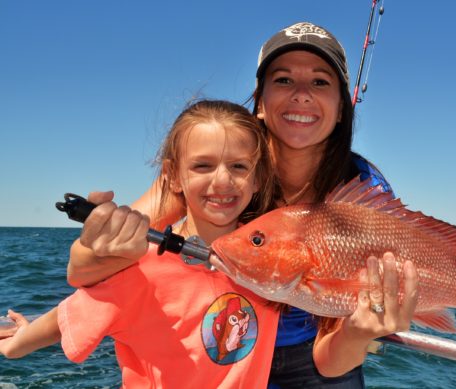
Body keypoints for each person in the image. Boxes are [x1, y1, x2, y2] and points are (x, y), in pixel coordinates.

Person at [66, 22, 419, 388]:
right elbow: (80, 269)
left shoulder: (364, 186)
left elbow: (331, 362)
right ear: (260, 100)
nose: (301, 94)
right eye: (283, 80)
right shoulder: (221, 164)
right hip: (224, 343)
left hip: (318, 353)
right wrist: (101, 243)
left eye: (320, 82)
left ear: (343, 108)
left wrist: (362, 330)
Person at [0, 99, 281, 388]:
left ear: (258, 177)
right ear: (172, 176)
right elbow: (74, 312)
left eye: (238, 166)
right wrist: (18, 344)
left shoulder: (276, 256)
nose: (223, 179)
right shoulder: (142, 266)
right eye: (203, 165)